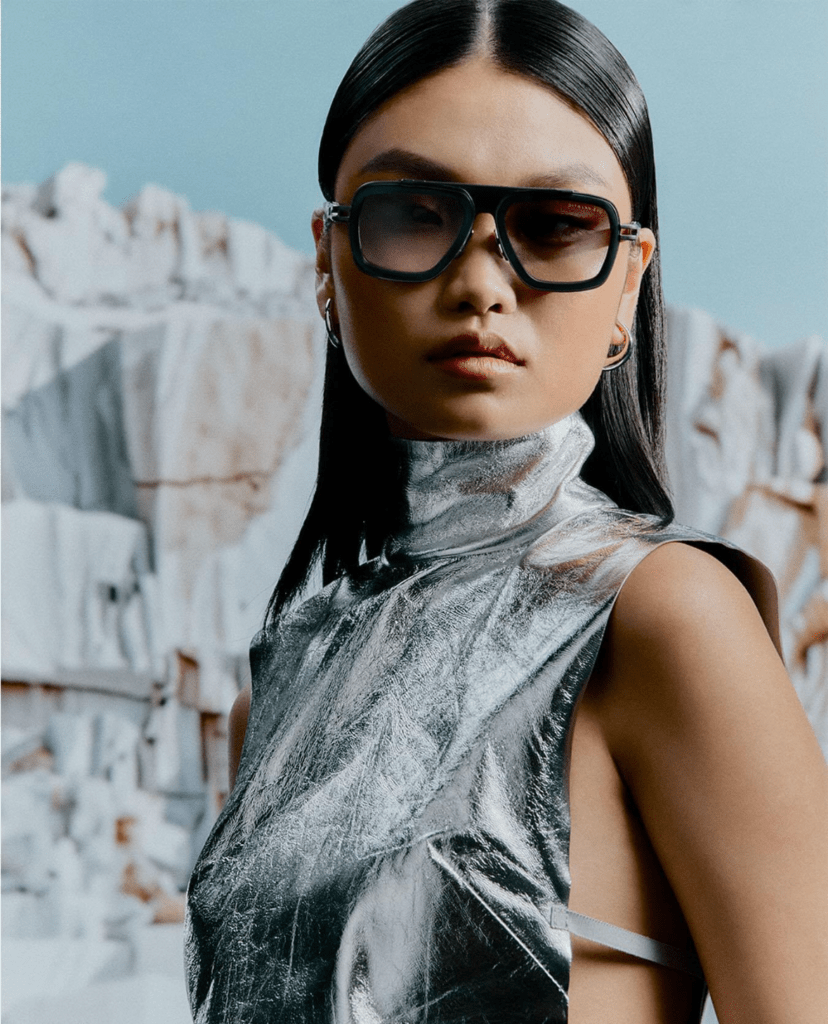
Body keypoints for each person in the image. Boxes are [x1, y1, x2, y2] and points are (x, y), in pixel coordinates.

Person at [185, 2, 828, 1022]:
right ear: (326, 257)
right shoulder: (284, 674)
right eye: (413, 214)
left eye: (554, 226)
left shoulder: (666, 618)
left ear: (628, 284)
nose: (482, 282)